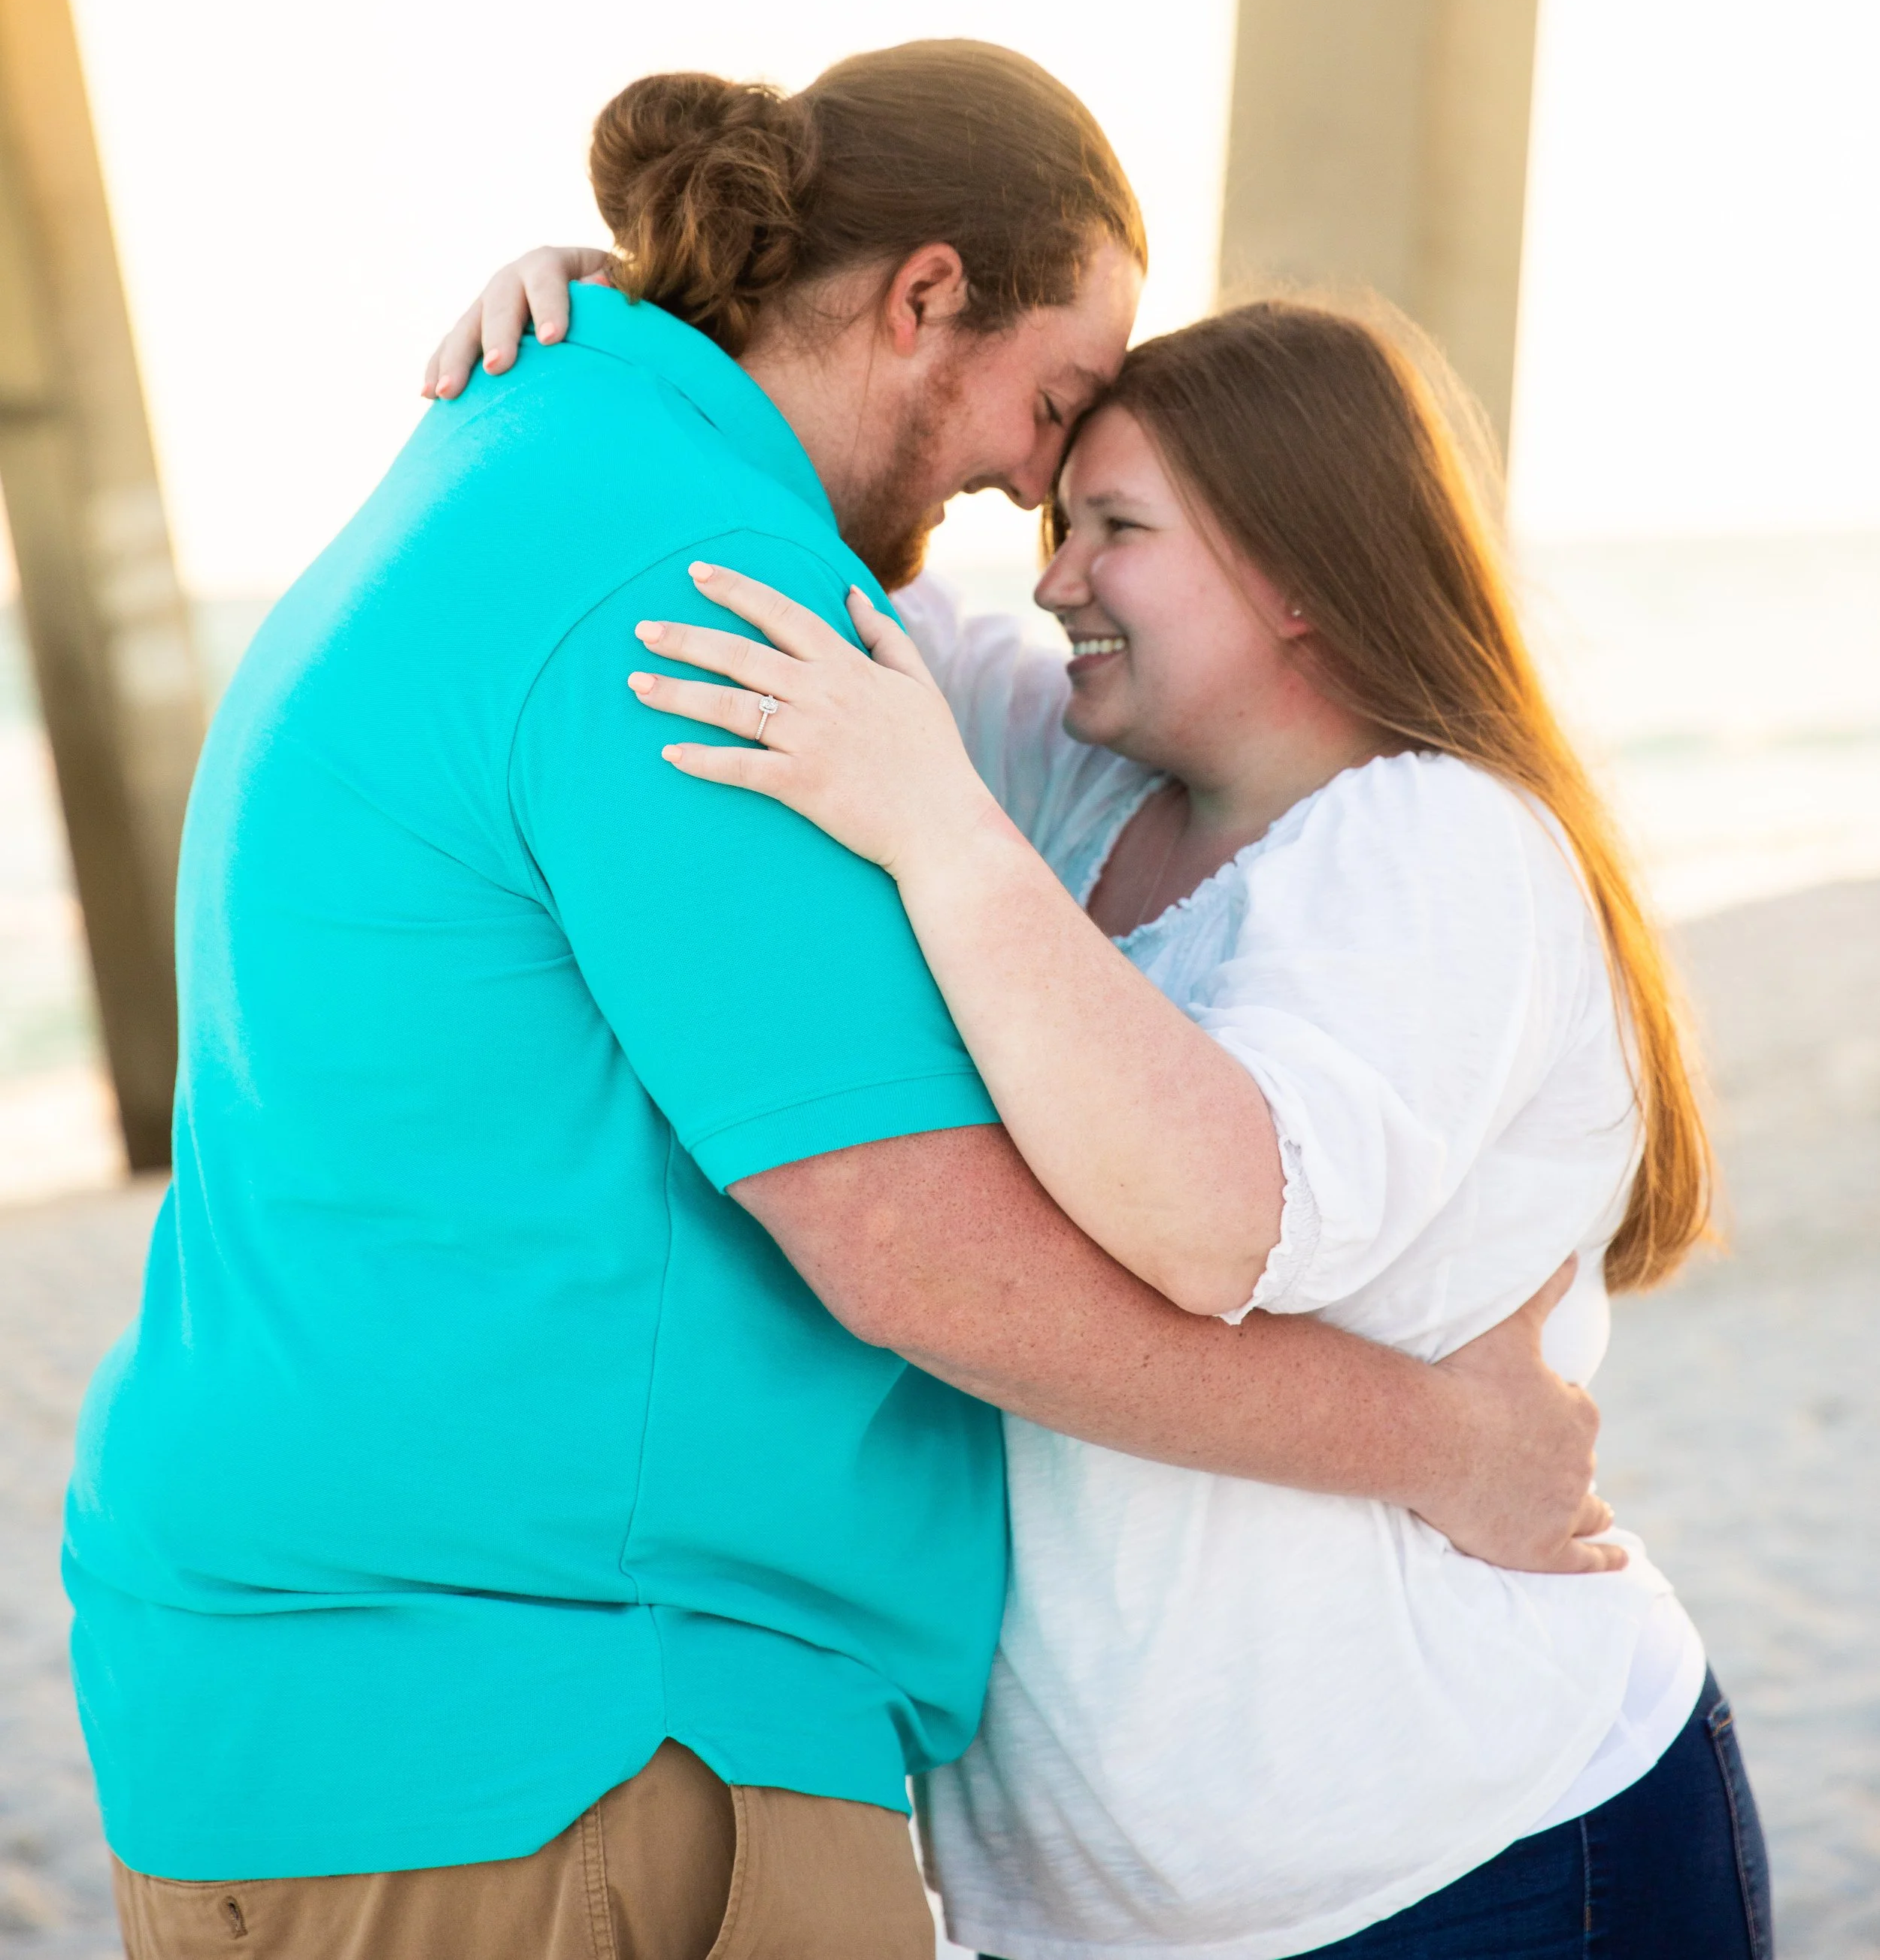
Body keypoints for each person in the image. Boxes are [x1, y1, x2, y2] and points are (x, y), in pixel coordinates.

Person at [68, 48, 1609, 1960]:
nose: (1032, 491)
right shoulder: (695, 587)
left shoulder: (544, 459)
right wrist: (1446, 1443)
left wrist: (619, 313)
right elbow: (913, 1252)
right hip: (565, 1741)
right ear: (923, 297)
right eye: (1053, 407)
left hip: (322, 1708)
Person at [457, 262, 1769, 1956]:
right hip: (1117, 1906)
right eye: (1058, 524)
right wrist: (630, 306)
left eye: (1117, 531)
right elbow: (796, 553)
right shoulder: (1079, 783)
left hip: (1476, 1849)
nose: (1053, 575)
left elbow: (1217, 1224)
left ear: (1301, 573)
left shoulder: (1444, 842)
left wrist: (936, 827)